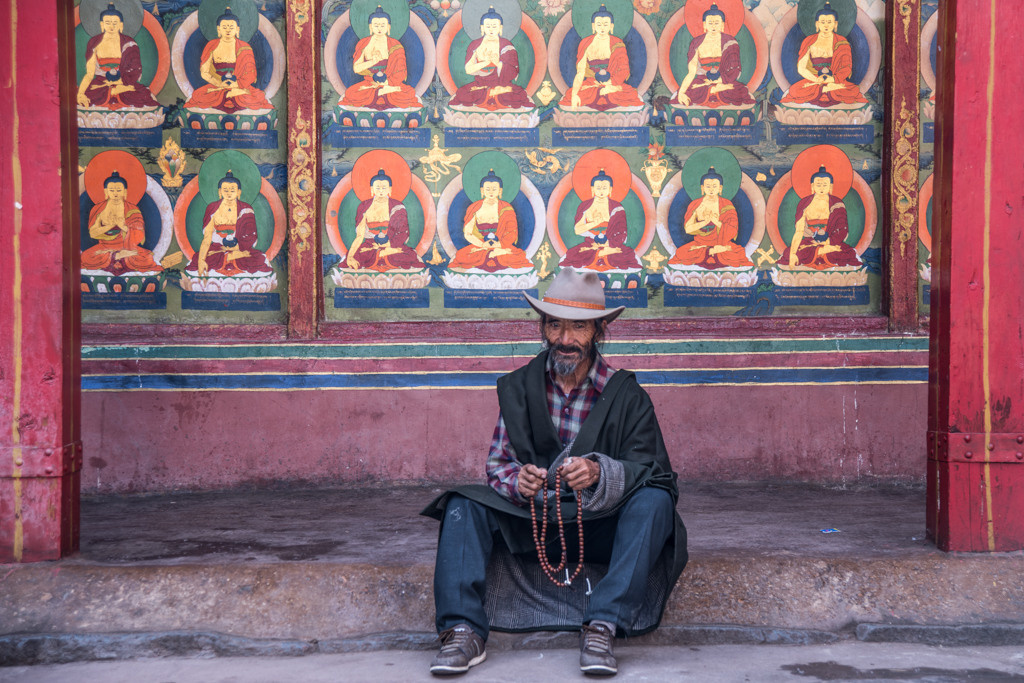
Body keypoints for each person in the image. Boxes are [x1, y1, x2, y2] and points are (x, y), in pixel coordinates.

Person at [423, 267, 687, 676]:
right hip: (535, 520)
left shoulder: (628, 396)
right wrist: (518, 480)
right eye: (554, 325)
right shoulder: (520, 386)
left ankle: (603, 624)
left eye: (578, 327)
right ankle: (462, 630)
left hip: (599, 524)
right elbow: (499, 463)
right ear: (543, 327)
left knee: (656, 502)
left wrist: (600, 472)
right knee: (462, 504)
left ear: (599, 330)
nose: (565, 339)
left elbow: (654, 472)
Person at [184, 7, 274, 112]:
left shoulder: (244, 47)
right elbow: (205, 72)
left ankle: (231, 94)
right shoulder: (211, 46)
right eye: (224, 27)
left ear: (237, 29)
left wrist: (236, 85)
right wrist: (219, 83)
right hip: (217, 86)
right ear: (218, 29)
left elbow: (251, 74)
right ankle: (228, 95)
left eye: (231, 27)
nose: (228, 30)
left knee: (256, 97)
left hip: (239, 87)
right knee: (199, 96)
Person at [187, 170, 273, 277]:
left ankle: (230, 257)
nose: (229, 193)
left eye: (232, 190)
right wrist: (201, 260)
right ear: (220, 192)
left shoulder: (246, 209)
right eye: (225, 190)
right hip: (218, 248)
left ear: (239, 192)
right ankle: (229, 257)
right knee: (199, 258)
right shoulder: (212, 209)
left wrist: (235, 248)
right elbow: (207, 238)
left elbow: (250, 236)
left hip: (239, 248)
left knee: (257, 258)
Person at [780, 2, 867, 107]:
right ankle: (825, 90)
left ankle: (825, 90)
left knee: (853, 90)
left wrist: (833, 79)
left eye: (829, 22)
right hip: (814, 81)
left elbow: (846, 68)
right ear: (817, 24)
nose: (826, 25)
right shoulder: (809, 41)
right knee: (795, 90)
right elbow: (802, 68)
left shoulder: (841, 42)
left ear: (835, 24)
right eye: (823, 22)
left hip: (835, 82)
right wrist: (816, 79)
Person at [559, 4, 644, 111]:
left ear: (611, 26)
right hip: (592, 83)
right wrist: (575, 94)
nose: (602, 28)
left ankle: (612, 90)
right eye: (599, 24)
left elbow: (624, 69)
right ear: (593, 26)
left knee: (630, 94)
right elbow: (580, 72)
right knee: (571, 96)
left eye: (605, 24)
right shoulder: (585, 43)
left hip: (613, 83)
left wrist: (610, 84)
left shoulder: (617, 43)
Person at [77, 3, 160, 109]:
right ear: (102, 24)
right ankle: (112, 92)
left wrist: (119, 83)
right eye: (108, 23)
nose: (111, 26)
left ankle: (115, 92)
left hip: (124, 83)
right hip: (101, 84)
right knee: (86, 96)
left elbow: (135, 71)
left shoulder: (129, 43)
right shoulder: (94, 43)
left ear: (121, 25)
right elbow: (89, 74)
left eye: (115, 23)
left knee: (141, 95)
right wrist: (80, 94)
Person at [338, 5, 422, 110]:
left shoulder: (395, 45)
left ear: (388, 27)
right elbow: (356, 68)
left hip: (390, 84)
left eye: (383, 25)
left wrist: (386, 83)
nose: (379, 28)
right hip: (370, 84)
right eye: (376, 25)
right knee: (351, 93)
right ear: (370, 27)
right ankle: (380, 93)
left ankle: (381, 93)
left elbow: (401, 72)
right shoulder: (364, 43)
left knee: (409, 93)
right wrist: (372, 61)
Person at [448, 169, 533, 272]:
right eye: (488, 189)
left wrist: (499, 245)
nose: (491, 192)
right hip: (480, 247)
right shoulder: (474, 208)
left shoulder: (506, 208)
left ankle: (499, 253)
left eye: (494, 189)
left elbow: (512, 233)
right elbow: (468, 233)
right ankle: (493, 254)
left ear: (500, 191)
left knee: (519, 256)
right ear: (482, 190)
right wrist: (482, 245)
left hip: (501, 247)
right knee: (462, 256)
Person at [448, 7, 532, 111]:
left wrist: (498, 64)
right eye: (488, 26)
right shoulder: (475, 45)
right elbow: (468, 70)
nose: (491, 29)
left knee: (520, 94)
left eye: (494, 26)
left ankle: (491, 93)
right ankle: (492, 93)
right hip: (480, 85)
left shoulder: (506, 45)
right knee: (462, 93)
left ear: (500, 28)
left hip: (502, 84)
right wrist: (486, 62)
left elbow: (513, 72)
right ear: (482, 28)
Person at [668, 167, 753, 269]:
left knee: (739, 253)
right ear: (702, 188)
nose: (711, 189)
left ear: (720, 188)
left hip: (722, 245)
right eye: (708, 186)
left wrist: (716, 222)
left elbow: (733, 231)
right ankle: (711, 251)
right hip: (700, 245)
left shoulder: (726, 204)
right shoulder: (696, 204)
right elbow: (688, 229)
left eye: (714, 186)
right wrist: (705, 222)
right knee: (681, 252)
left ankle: (716, 251)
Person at [672, 4, 755, 107]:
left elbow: (734, 70)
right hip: (702, 82)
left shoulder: (730, 42)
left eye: (716, 23)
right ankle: (713, 90)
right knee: (690, 92)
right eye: (710, 23)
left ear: (722, 24)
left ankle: (715, 89)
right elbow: (691, 72)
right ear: (704, 25)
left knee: (740, 91)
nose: (713, 26)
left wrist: (719, 82)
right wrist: (682, 92)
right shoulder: (696, 43)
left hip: (724, 81)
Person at [82, 171, 163, 275]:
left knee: (147, 258)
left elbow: (139, 235)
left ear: (125, 192)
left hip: (127, 248)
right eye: (112, 190)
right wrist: (110, 225)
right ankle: (116, 256)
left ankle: (115, 257)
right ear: (106, 192)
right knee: (86, 257)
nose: (115, 193)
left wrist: (123, 227)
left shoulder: (132, 209)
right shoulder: (99, 209)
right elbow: (93, 233)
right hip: (104, 248)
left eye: (119, 190)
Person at [782, 165, 861, 269]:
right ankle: (821, 251)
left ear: (831, 186)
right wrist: (793, 254)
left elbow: (842, 230)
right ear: (812, 186)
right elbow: (799, 231)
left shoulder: (837, 204)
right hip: (811, 243)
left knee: (846, 253)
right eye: (818, 185)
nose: (822, 188)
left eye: (825, 185)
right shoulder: (804, 204)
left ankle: (821, 251)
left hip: (831, 242)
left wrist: (827, 242)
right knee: (788, 253)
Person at [561, 170, 641, 271]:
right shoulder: (585, 206)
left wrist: (608, 244)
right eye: (598, 188)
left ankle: (602, 253)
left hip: (611, 244)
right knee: (572, 254)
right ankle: (602, 253)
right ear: (592, 189)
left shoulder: (617, 207)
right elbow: (577, 230)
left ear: (610, 189)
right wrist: (595, 223)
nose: (601, 191)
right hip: (591, 244)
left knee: (628, 254)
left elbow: (621, 232)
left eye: (604, 188)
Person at [346, 169, 424, 271]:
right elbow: (360, 236)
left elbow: (403, 233)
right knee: (357, 256)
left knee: (410, 255)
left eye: (384, 188)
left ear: (390, 189)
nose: (381, 191)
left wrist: (387, 245)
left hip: (392, 244)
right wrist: (350, 256)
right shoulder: (364, 207)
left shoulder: (397, 206)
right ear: (372, 189)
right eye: (377, 188)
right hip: (371, 246)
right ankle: (382, 254)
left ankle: (382, 253)